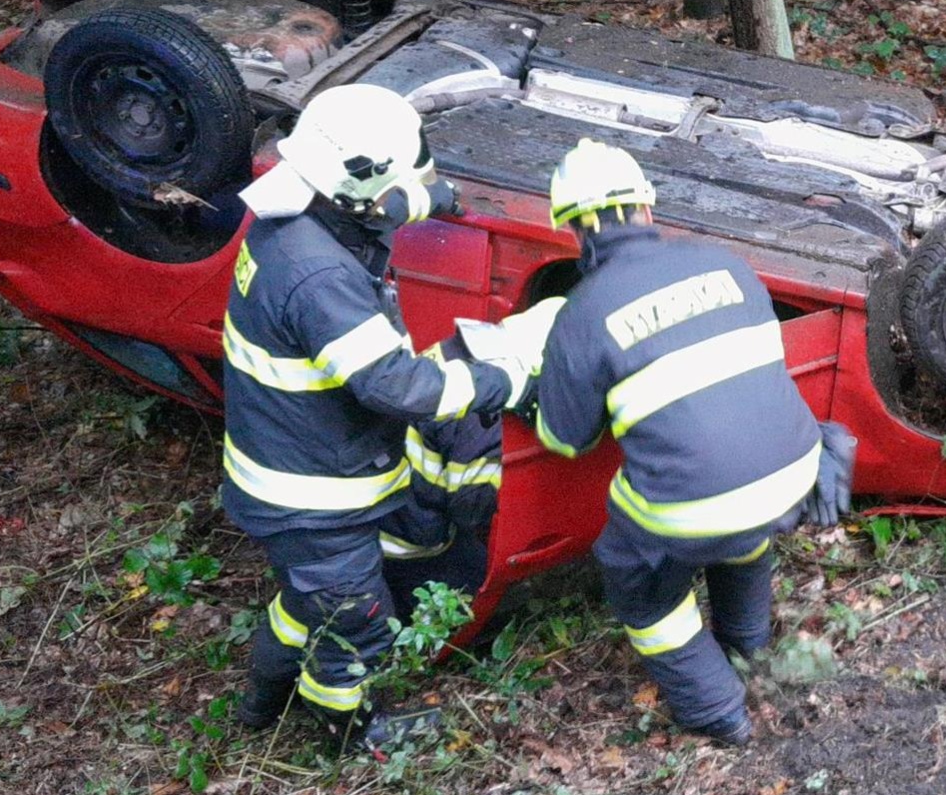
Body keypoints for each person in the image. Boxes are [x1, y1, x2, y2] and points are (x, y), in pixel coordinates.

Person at [224, 84, 527, 751]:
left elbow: (373, 204)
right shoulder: (318, 279)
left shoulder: (296, 212)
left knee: (303, 605)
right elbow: (392, 385)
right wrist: (498, 381)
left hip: (287, 469)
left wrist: (435, 198)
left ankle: (260, 705)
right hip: (315, 498)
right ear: (362, 188)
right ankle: (349, 731)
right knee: (355, 622)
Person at [532, 138, 855, 746]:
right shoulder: (725, 263)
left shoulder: (582, 311)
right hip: (793, 468)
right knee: (741, 530)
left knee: (637, 578)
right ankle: (748, 646)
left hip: (702, 504)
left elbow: (565, 439)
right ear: (647, 207)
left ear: (573, 230)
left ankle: (717, 710)